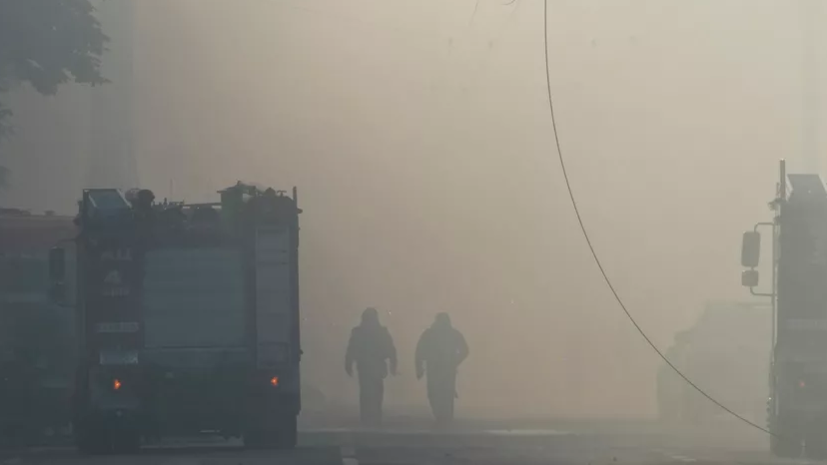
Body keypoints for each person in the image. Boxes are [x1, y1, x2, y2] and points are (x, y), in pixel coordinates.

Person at [345, 307, 397, 426]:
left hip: (366, 367)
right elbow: (391, 350)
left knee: (367, 392)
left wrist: (348, 363)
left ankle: (367, 416)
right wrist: (393, 365)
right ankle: (374, 416)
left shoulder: (359, 332)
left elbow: (351, 349)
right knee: (375, 392)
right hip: (373, 367)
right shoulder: (381, 332)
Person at [415, 313, 469, 425]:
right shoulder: (453, 334)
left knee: (438, 393)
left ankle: (442, 417)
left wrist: (419, 368)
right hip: (446, 369)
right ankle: (445, 418)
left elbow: (419, 352)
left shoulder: (429, 334)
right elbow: (465, 350)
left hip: (437, 369)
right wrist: (455, 361)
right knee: (444, 393)